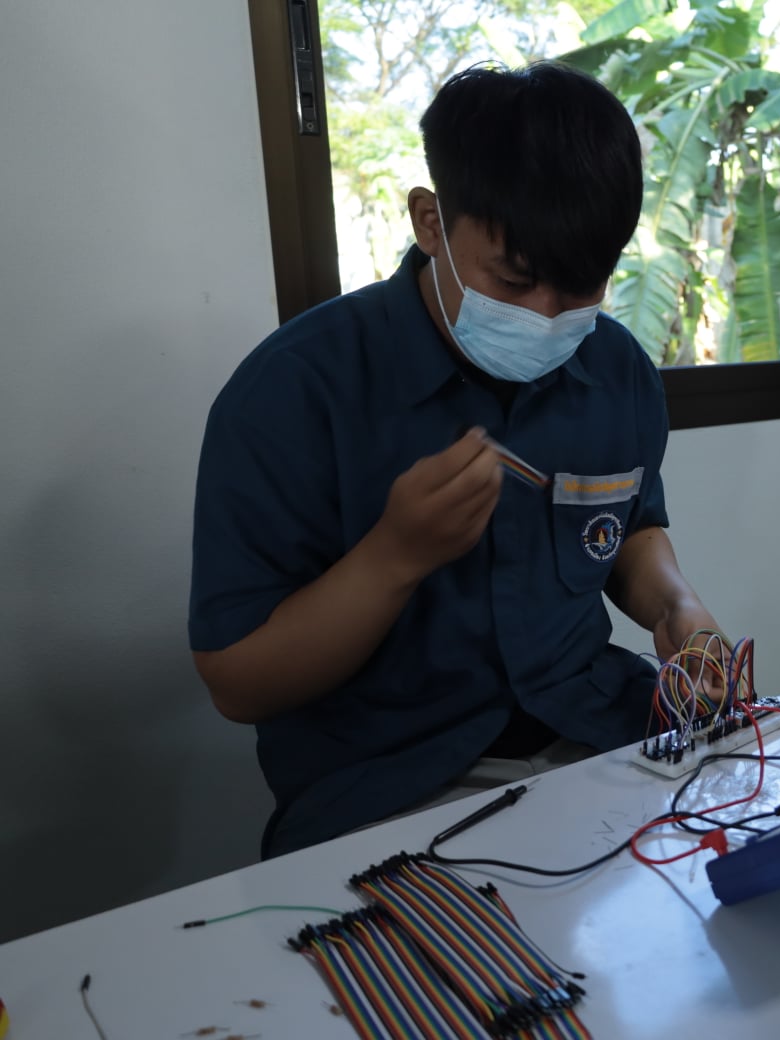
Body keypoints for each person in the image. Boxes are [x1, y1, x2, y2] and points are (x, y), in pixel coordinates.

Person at [189, 63, 724, 858]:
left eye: (583, 287)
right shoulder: (297, 391)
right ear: (431, 222)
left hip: (600, 733)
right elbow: (237, 682)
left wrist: (677, 608)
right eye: (514, 280)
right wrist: (393, 557)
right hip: (388, 785)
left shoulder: (615, 371)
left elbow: (629, 530)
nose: (549, 316)